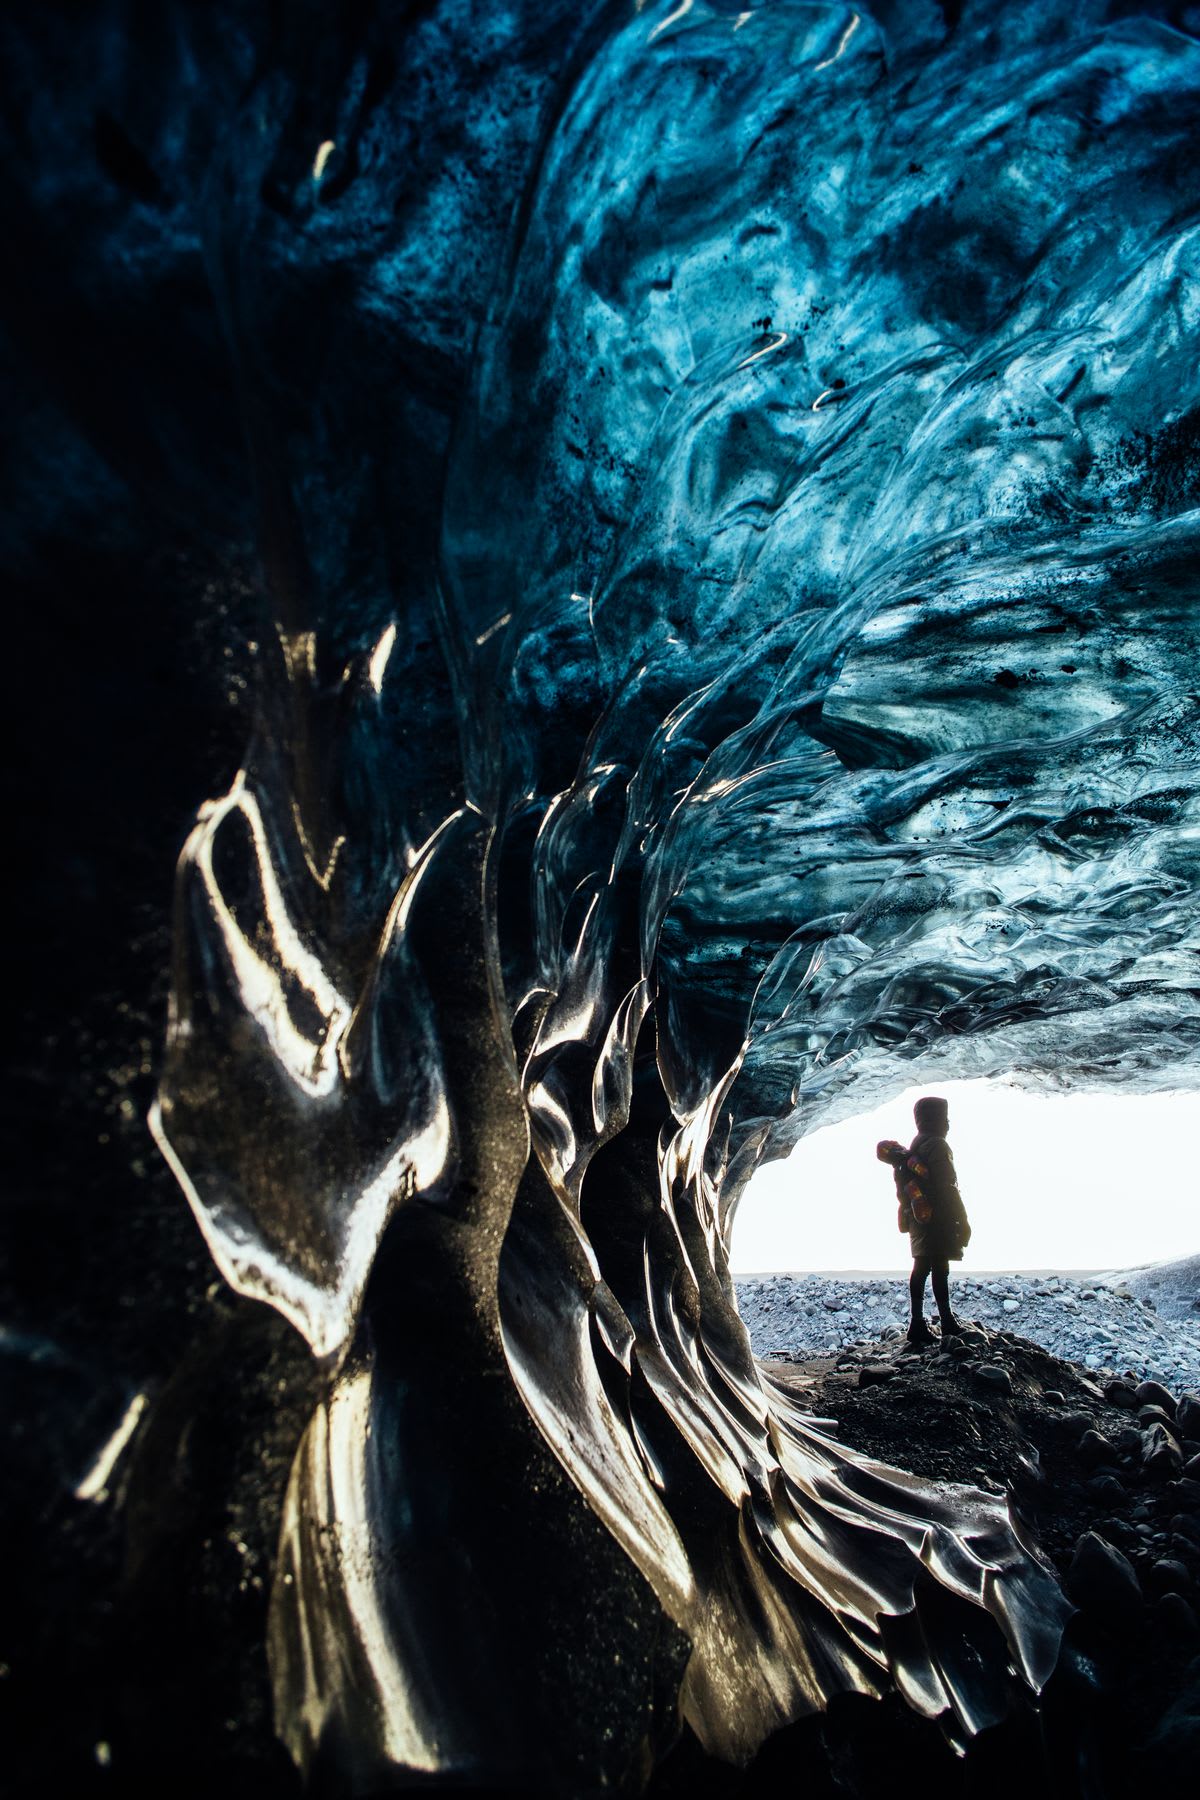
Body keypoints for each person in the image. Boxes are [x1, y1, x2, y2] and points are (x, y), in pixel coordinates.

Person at [879, 1095, 971, 1346]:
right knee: (940, 1268)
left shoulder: (915, 1144)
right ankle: (946, 1320)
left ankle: (917, 1322)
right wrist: (962, 1220)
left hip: (918, 1215)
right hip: (938, 1216)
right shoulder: (938, 1146)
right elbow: (947, 1186)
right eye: (945, 1118)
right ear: (935, 1120)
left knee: (921, 1266)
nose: (948, 1124)